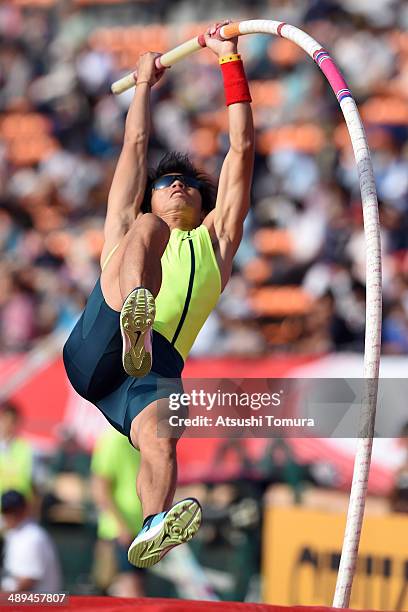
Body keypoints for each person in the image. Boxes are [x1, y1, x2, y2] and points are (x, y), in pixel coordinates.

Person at [63, 20, 254, 568]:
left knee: (166, 430)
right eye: (167, 183)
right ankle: (135, 319)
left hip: (151, 366)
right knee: (149, 232)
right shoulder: (135, 223)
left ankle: (153, 524)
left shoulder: (216, 242)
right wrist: (145, 84)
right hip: (101, 339)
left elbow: (241, 148)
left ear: (202, 202)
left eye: (190, 185)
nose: (178, 186)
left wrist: (229, 62)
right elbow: (136, 143)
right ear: (151, 193)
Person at [91, 427, 145, 596]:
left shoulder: (143, 441)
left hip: (139, 532)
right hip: (119, 534)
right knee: (130, 590)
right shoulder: (112, 441)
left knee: (135, 588)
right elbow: (100, 491)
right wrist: (121, 527)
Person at [0, 490, 61, 593]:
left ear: (24, 509)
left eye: (14, 511)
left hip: (41, 604)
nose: (10, 515)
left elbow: (27, 582)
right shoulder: (14, 532)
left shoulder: (32, 538)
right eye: (7, 511)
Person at [0, 401, 33, 498]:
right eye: (4, 420)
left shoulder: (25, 448)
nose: (6, 425)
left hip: (16, 506)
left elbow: (30, 479)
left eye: (10, 421)